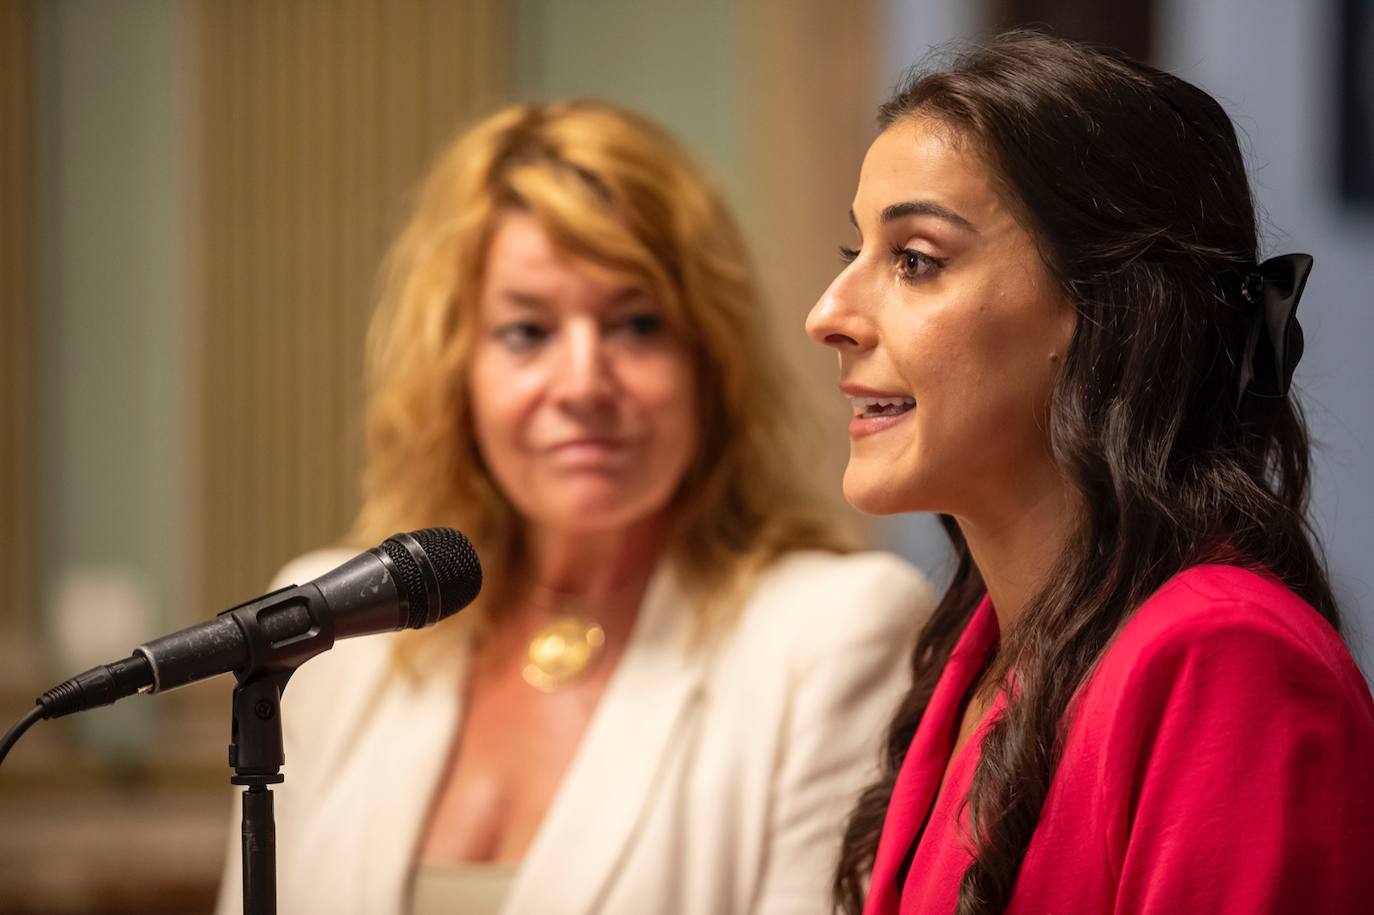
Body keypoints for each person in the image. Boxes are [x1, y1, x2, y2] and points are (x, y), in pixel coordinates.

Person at [213, 100, 931, 915]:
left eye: (636, 323)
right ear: (458, 373)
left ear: (709, 362)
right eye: (527, 332)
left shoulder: (833, 633)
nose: (584, 383)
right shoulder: (334, 633)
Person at [806, 29, 1374, 915]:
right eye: (857, 258)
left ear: (1108, 310)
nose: (828, 314)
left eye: (915, 261)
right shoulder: (988, 651)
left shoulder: (1224, 657)